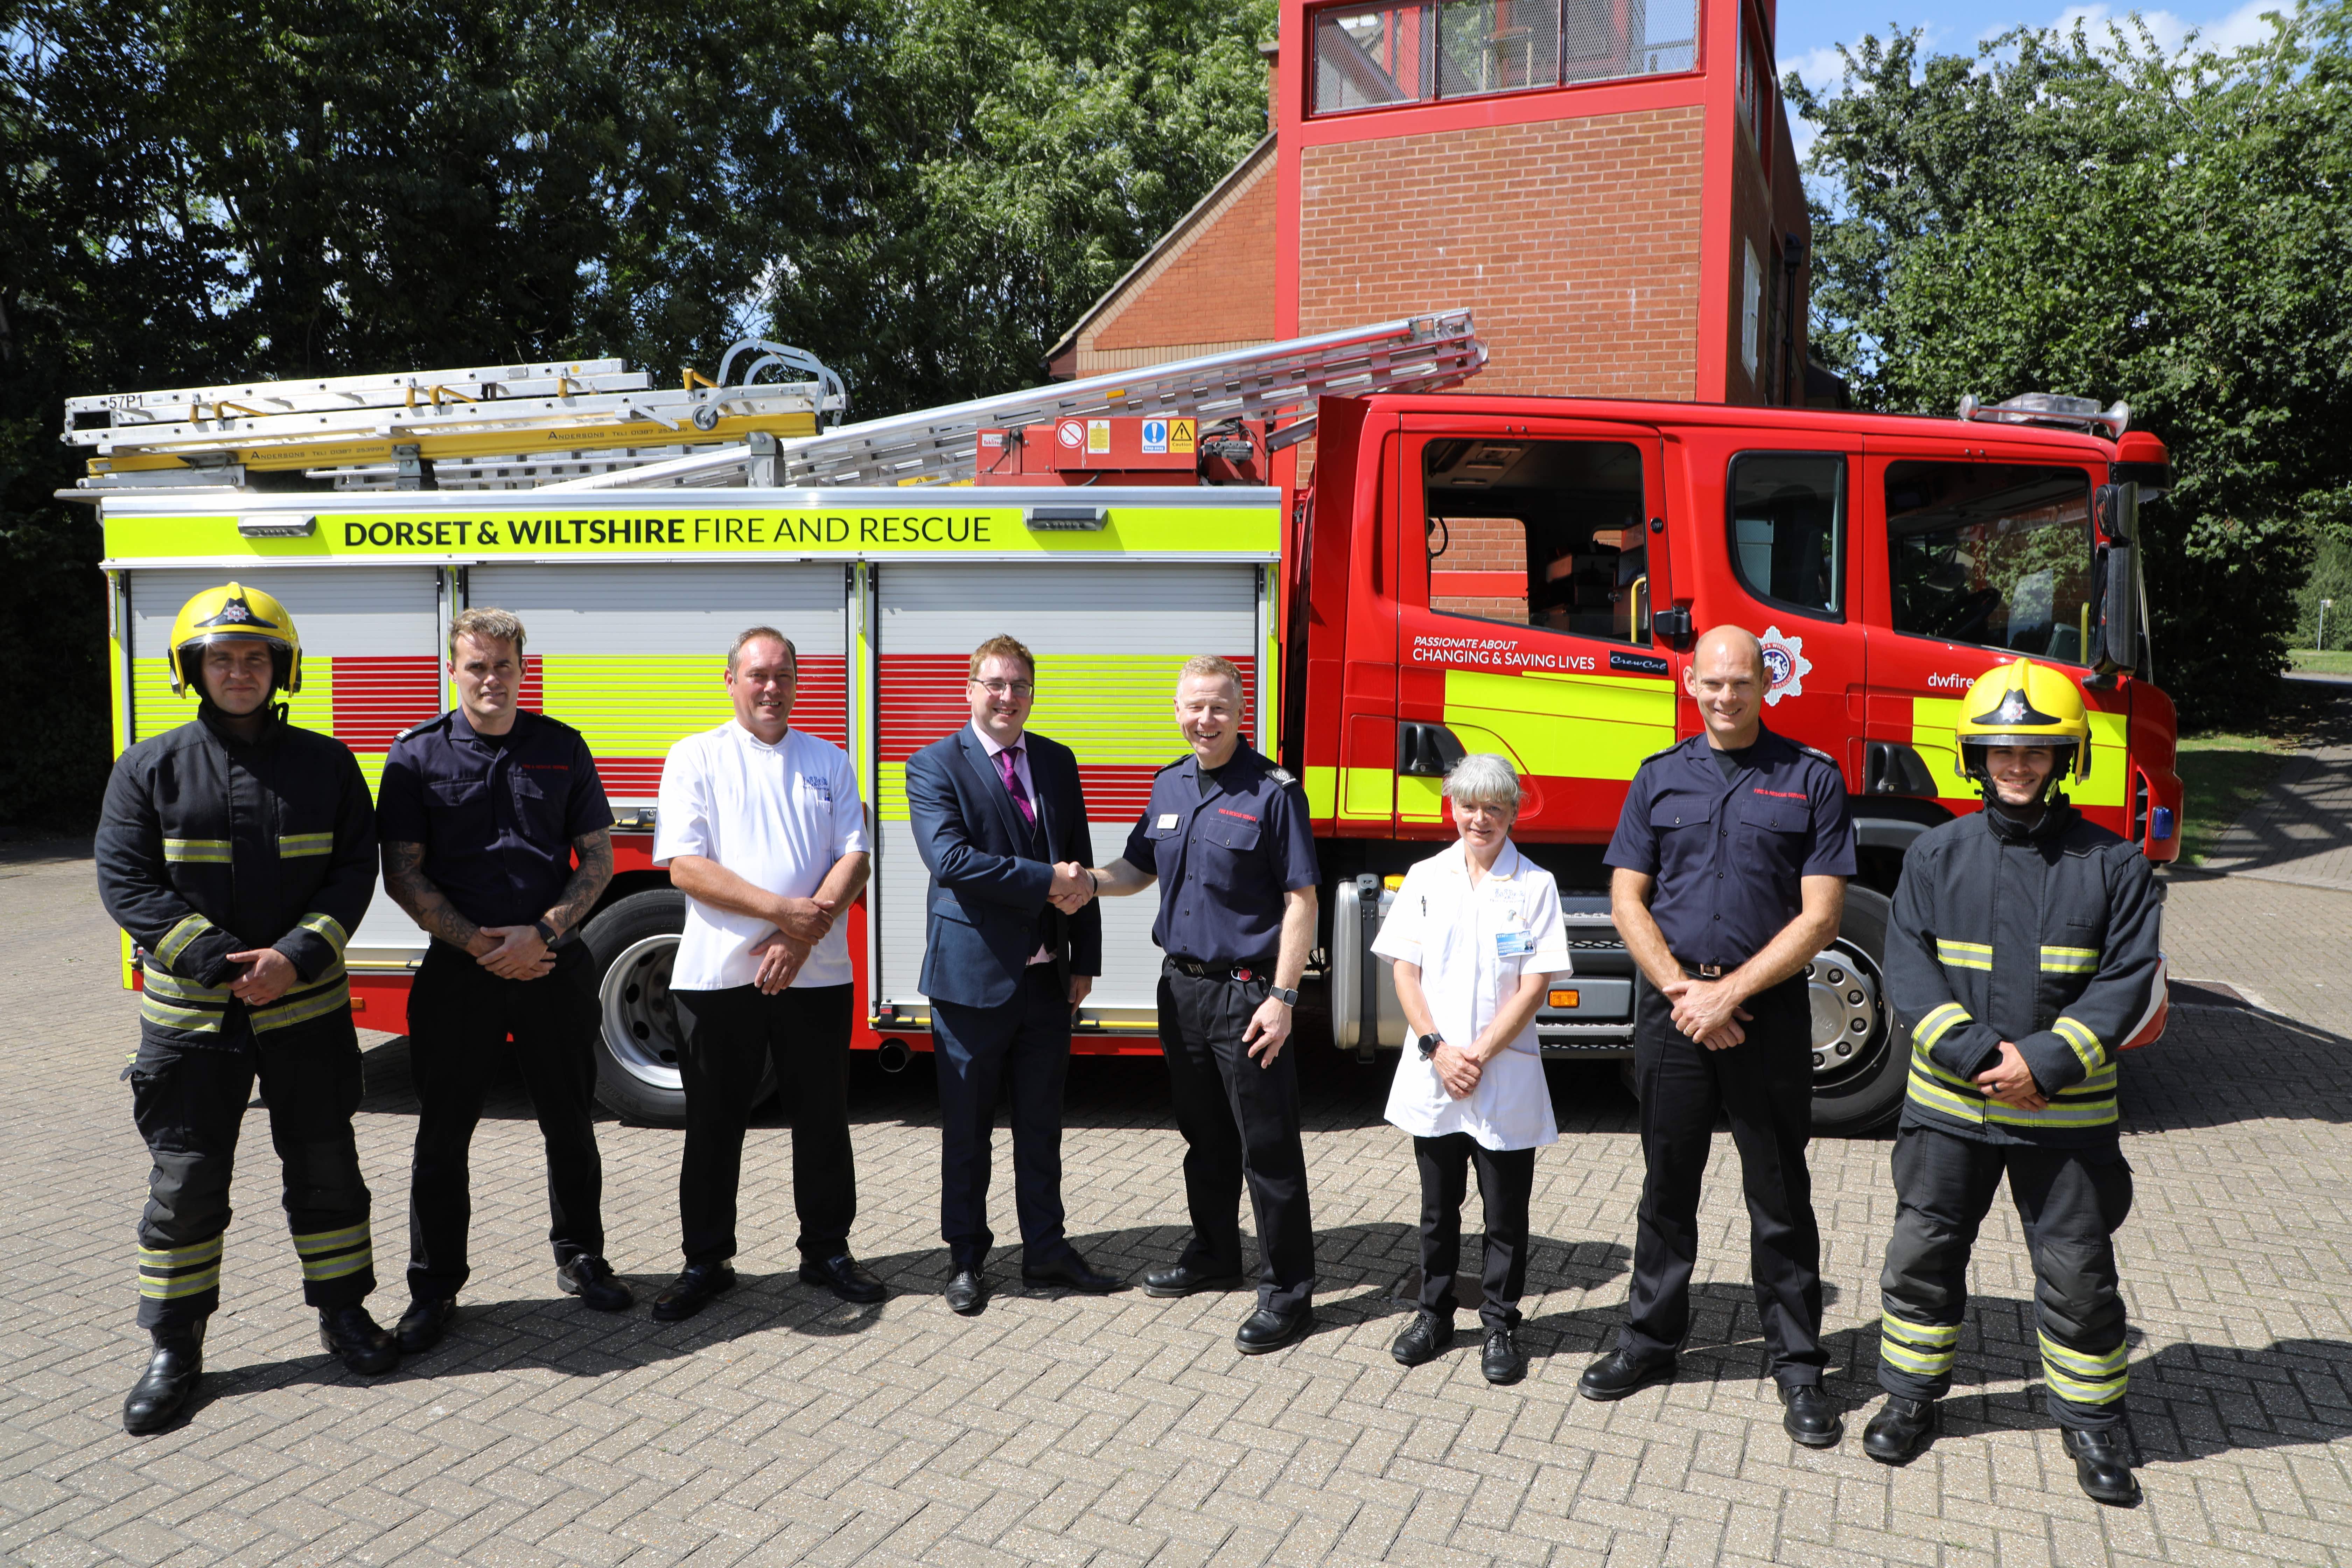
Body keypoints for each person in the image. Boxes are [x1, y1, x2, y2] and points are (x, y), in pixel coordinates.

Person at [1863, 658, 2163, 1506]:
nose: (2017, 765)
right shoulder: (1933, 854)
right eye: (2000, 749)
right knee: (1923, 1251)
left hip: (2063, 1114)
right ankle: (1912, 1396)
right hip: (1951, 1111)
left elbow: (2127, 979)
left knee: (2077, 1271)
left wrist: (2046, 1062)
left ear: (2064, 757)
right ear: (1976, 756)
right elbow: (1910, 972)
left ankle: (2095, 1421)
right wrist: (1984, 1060)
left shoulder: (2116, 864)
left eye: (2035, 751)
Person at [95, 581, 394, 1435]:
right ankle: (175, 1347)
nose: (238, 671)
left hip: (304, 1014)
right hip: (194, 1024)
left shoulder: (329, 766)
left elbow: (353, 873)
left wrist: (293, 958)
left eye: (254, 657)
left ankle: (344, 1314)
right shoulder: (146, 769)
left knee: (328, 1168)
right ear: (193, 670)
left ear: (281, 668)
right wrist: (218, 962)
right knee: (186, 1184)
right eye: (221, 658)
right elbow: (127, 883)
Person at [1581, 624, 1855, 1449]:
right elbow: (1628, 898)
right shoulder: (1658, 778)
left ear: (1765, 683)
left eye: (1741, 683)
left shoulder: (1810, 778)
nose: (1726, 696)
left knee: (1778, 1190)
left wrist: (1728, 993)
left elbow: (1823, 915)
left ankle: (1800, 1363)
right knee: (1666, 1185)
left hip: (1765, 1012)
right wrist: (1683, 991)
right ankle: (1650, 1339)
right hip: (1674, 1012)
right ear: (1691, 684)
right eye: (1712, 683)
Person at [377, 608, 629, 1354]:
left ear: (525, 670)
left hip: (553, 962)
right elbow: (402, 872)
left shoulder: (561, 748)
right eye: (477, 665)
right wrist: (483, 946)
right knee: (443, 1135)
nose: (492, 678)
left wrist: (544, 933)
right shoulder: (416, 757)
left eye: (505, 665)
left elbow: (599, 860)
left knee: (570, 1120)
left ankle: (582, 1255)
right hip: (461, 972)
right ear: (453, 669)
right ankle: (434, 1286)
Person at [1082, 656, 1321, 1354]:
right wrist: (1078, 882)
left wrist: (1282, 997)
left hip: (1248, 994)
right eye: (1193, 707)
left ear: (1240, 710)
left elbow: (1301, 900)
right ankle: (1216, 1252)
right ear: (1178, 709)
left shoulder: (1274, 791)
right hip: (1180, 990)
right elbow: (1134, 869)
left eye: (1217, 707)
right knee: (1204, 1136)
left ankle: (1289, 1292)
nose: (1204, 719)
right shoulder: (1168, 785)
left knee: (1267, 1147)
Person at [649, 627, 877, 1321]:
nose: (771, 687)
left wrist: (799, 938)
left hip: (816, 973)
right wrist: (783, 911)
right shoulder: (695, 756)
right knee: (715, 1125)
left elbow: (854, 855)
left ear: (798, 681)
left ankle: (828, 1250)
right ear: (731, 680)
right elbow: (686, 865)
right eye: (757, 675)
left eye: (783, 674)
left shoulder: (830, 761)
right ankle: (707, 1260)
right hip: (718, 978)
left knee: (822, 1120)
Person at [904, 636, 1121, 1314]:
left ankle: (1046, 1251)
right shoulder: (934, 764)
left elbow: (1080, 859)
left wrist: (1083, 954)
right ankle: (966, 1257)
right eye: (994, 684)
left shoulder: (1056, 761)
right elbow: (952, 860)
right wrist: (1045, 881)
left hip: (1046, 980)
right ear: (970, 689)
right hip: (970, 981)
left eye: (1019, 686)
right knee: (967, 1130)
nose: (1007, 697)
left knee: (1042, 1125)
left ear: (1033, 692)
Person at [1371, 754, 1572, 1386]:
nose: (1479, 818)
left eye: (1493, 807)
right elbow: (1404, 969)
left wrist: (1477, 1053)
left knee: (1505, 1214)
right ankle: (1433, 1315)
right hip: (1437, 1068)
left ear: (1513, 813)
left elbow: (1536, 984)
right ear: (1451, 808)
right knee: (1438, 1209)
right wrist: (1439, 1049)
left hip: (1500, 1072)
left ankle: (1500, 1324)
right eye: (1469, 806)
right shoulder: (1426, 877)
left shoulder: (1535, 885)